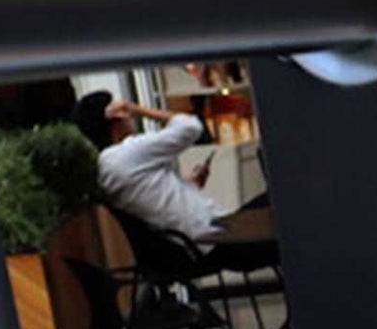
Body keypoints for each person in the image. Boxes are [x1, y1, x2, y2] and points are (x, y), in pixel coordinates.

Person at [74, 90, 276, 265]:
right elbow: (191, 127)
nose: (130, 116)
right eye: (124, 111)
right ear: (115, 117)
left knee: (276, 204)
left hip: (199, 243)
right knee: (283, 204)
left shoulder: (105, 168)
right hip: (217, 236)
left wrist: (188, 184)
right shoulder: (126, 153)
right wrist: (137, 108)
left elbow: (150, 198)